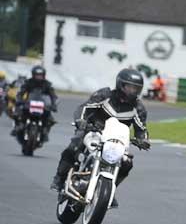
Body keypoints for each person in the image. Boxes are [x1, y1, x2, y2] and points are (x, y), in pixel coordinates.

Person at [50, 68, 150, 201]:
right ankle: (59, 178)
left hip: (117, 140)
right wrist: (81, 120)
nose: (133, 91)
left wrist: (143, 140)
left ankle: (109, 188)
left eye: (136, 89)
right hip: (93, 131)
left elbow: (141, 128)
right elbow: (84, 107)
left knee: (127, 163)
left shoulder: (138, 107)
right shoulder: (105, 95)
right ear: (121, 84)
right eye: (130, 87)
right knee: (75, 145)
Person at [12, 65, 58, 142]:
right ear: (33, 75)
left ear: (44, 75)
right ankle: (18, 127)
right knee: (17, 114)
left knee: (50, 119)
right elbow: (20, 93)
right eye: (37, 75)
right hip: (29, 104)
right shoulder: (28, 82)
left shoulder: (47, 84)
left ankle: (45, 132)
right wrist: (19, 100)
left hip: (42, 106)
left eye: (40, 75)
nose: (39, 77)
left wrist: (54, 104)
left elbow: (53, 96)